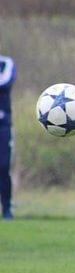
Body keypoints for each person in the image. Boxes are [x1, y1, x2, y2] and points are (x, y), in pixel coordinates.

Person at [0, 44, 15, 220]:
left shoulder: (5, 63)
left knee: (3, 167)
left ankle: (7, 209)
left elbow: (6, 82)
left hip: (3, 125)